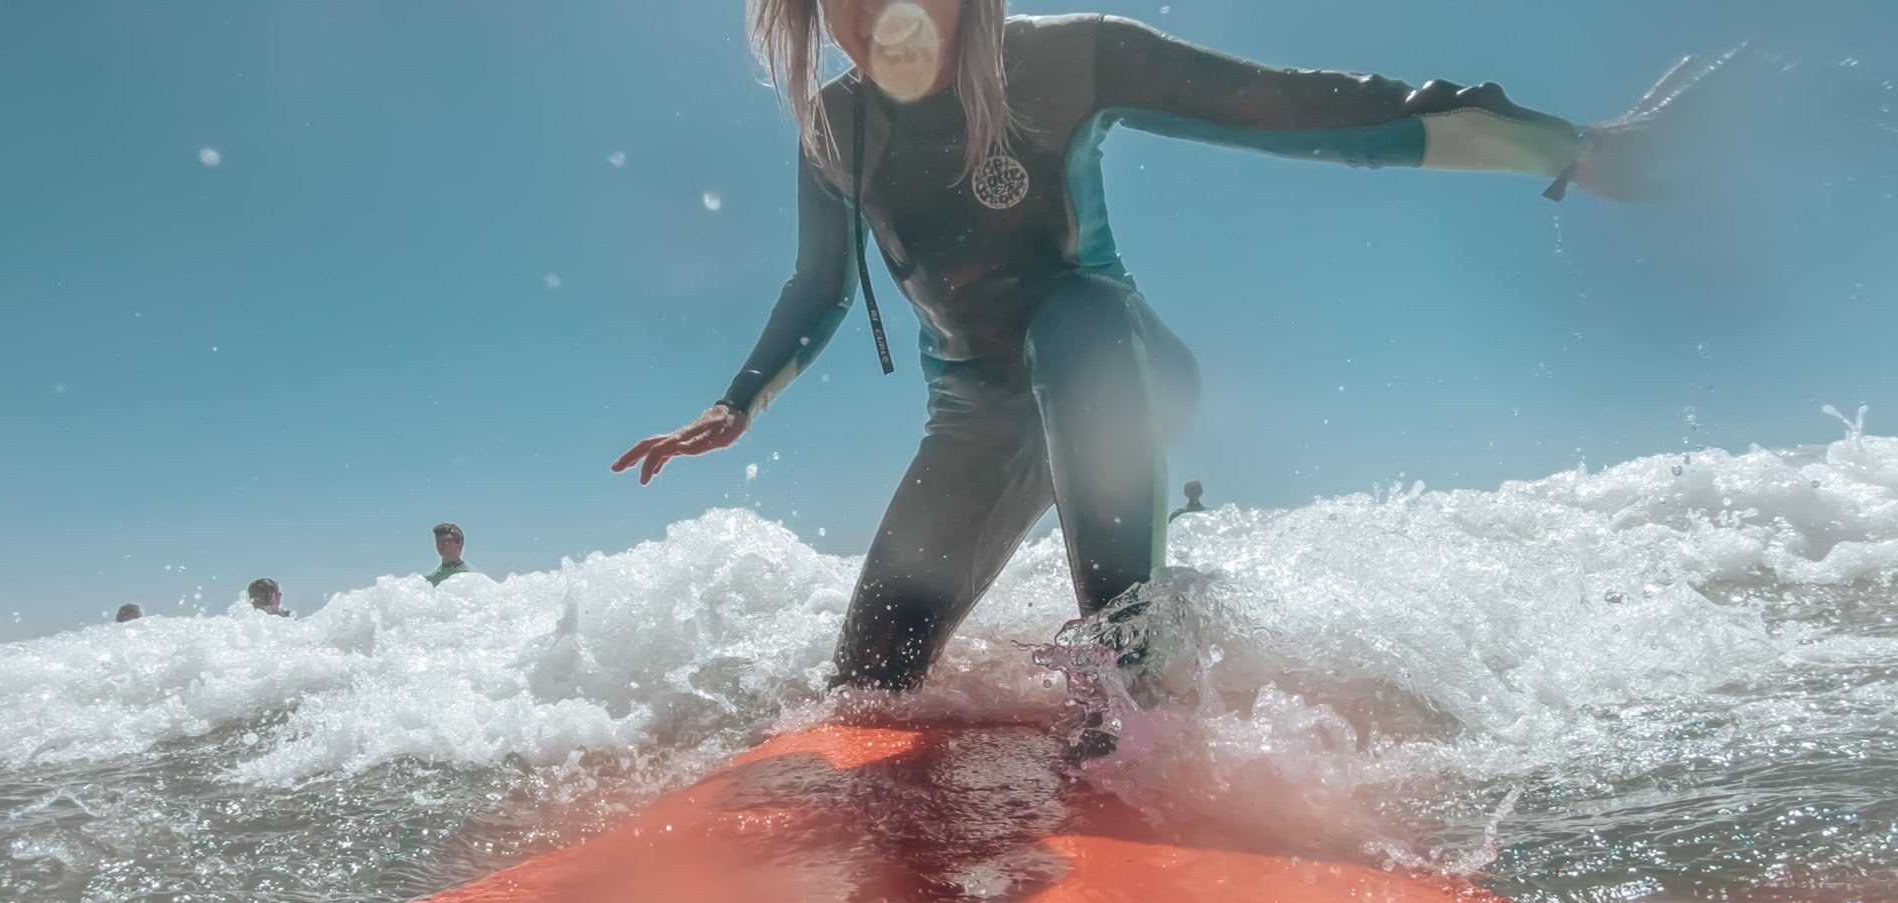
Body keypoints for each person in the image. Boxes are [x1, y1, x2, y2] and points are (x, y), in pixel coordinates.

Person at [614, 0, 1720, 703]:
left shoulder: (1069, 60)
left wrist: (1574, 149)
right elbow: (815, 289)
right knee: (868, 690)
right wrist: (738, 406)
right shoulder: (836, 132)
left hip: (1117, 354)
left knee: (1071, 320)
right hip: (979, 420)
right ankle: (1123, 611)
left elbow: (1310, 111)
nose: (877, 15)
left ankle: (1127, 673)